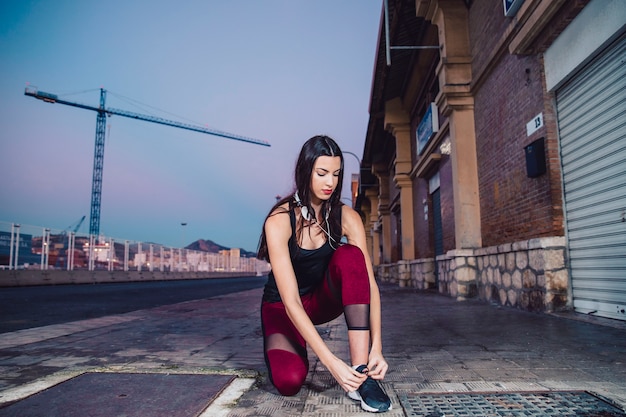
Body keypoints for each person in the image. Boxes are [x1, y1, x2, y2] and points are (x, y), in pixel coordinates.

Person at [257, 135, 391, 413]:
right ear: (305, 172)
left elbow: (369, 285)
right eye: (321, 173)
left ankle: (361, 373)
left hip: (320, 302)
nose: (330, 182)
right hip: (283, 307)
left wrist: (376, 347)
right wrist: (331, 364)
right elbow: (292, 302)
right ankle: (296, 343)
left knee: (351, 256)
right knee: (289, 382)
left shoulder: (347, 217)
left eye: (336, 174)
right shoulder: (280, 220)